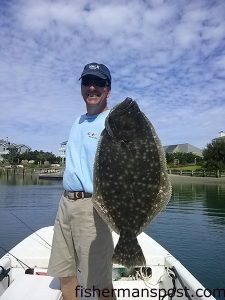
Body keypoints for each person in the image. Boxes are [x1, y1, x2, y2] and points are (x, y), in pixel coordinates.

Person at [48, 62, 116, 300]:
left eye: (99, 83)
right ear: (81, 87)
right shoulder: (77, 121)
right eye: (87, 82)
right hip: (65, 204)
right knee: (65, 272)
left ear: (108, 88)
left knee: (99, 282)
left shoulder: (114, 123)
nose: (92, 88)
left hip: (92, 208)